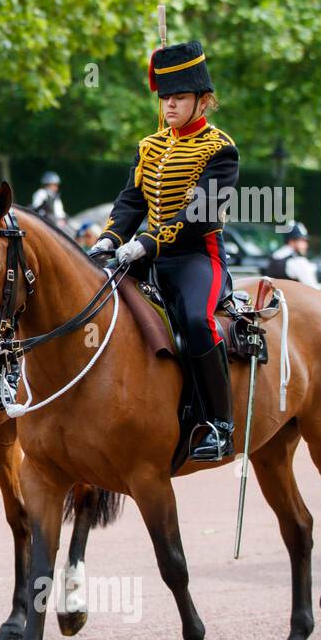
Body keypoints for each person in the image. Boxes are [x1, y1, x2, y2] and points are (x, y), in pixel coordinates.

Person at [91, 40, 240, 463]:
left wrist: (149, 242)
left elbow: (200, 212)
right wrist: (110, 239)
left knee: (196, 321)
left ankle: (220, 424)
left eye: (179, 97)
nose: (170, 105)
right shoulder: (150, 145)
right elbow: (131, 201)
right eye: (166, 98)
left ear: (203, 101)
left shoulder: (220, 148)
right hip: (144, 257)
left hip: (197, 257)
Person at [265, 221, 319, 287]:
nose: (306, 245)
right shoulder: (297, 261)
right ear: (292, 241)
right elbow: (313, 288)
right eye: (302, 240)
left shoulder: (275, 256)